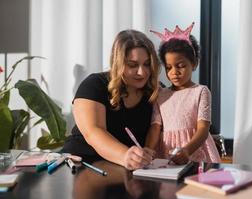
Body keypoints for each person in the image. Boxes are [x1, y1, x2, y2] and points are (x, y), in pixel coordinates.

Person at [62, 29, 160, 170]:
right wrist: (125, 156)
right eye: (132, 65)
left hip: (125, 171)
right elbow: (93, 132)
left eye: (147, 64)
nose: (142, 72)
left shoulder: (154, 91)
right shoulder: (94, 85)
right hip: (80, 165)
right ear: (117, 63)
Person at [145, 22, 221, 164]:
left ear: (194, 64)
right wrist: (148, 150)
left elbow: (203, 128)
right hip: (167, 152)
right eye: (169, 68)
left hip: (194, 151)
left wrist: (186, 150)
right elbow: (155, 127)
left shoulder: (201, 92)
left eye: (181, 66)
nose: (174, 72)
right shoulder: (161, 94)